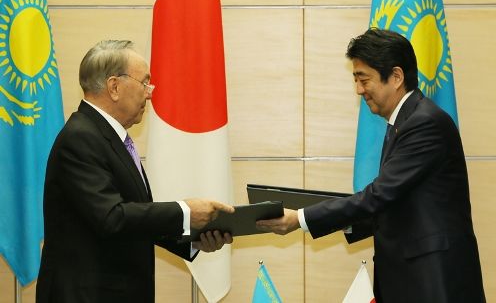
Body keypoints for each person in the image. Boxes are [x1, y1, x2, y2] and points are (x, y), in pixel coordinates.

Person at [257, 28, 486, 302]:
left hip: (435, 283)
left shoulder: (424, 123)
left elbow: (379, 195)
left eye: (363, 79)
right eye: (355, 79)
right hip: (412, 281)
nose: (358, 90)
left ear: (397, 77)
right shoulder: (403, 123)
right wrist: (340, 218)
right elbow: (395, 202)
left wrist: (300, 218)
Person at [36, 40, 234, 303]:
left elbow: (134, 215)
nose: (150, 93)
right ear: (114, 87)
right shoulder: (80, 138)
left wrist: (193, 240)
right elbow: (112, 217)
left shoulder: (107, 137)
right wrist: (185, 211)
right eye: (145, 83)